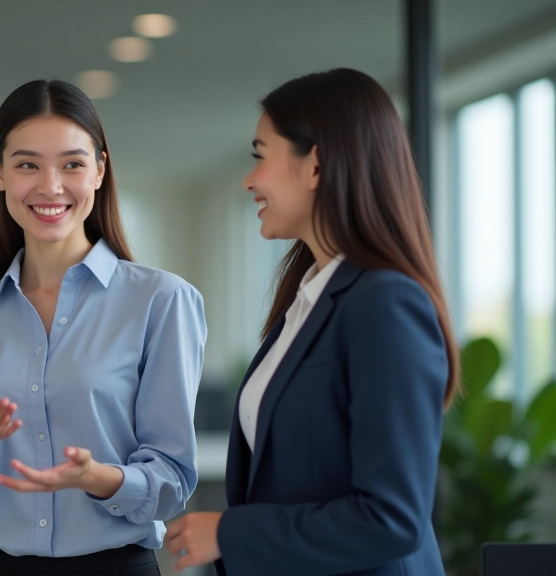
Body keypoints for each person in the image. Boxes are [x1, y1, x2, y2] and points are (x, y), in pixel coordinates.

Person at [165, 68, 460, 576]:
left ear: (316, 164)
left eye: (260, 155)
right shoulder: (304, 305)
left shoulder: (385, 303)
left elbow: (392, 518)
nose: (249, 179)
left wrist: (228, 533)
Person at [0, 79, 208, 576]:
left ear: (100, 169)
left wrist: (98, 478)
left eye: (72, 164)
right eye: (28, 164)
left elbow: (173, 478)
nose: (50, 186)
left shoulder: (162, 301)